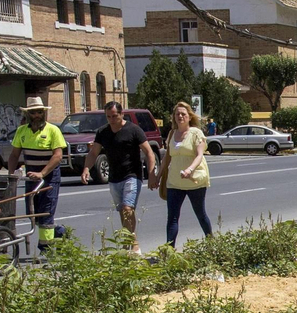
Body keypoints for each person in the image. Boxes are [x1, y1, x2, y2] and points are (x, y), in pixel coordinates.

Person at [81, 100, 156, 252]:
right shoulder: (103, 132)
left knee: (128, 209)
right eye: (108, 116)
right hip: (114, 178)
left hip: (132, 175)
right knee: (122, 211)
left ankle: (134, 245)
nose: (112, 120)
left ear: (122, 114)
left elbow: (149, 152)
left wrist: (152, 173)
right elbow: (94, 152)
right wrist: (86, 169)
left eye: (114, 116)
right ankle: (127, 243)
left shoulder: (133, 130)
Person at [7, 96, 66, 250]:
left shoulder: (53, 130)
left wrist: (42, 173)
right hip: (31, 179)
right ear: (28, 114)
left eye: (40, 112)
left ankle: (45, 249)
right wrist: (10, 174)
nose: (37, 116)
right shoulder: (21, 131)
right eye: (33, 113)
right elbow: (14, 155)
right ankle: (60, 232)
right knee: (33, 214)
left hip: (49, 179)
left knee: (45, 214)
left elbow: (58, 156)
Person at [152, 100, 213, 248]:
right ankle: (170, 250)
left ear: (189, 116)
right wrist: (158, 177)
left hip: (194, 181)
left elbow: (199, 155)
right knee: (172, 218)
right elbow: (167, 158)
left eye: (183, 114)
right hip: (175, 182)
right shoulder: (172, 134)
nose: (180, 116)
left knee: (200, 214)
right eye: (177, 114)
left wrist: (189, 170)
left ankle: (212, 244)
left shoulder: (196, 133)